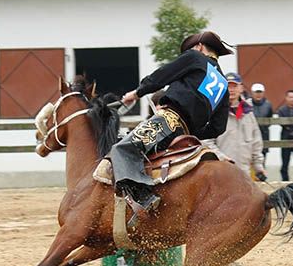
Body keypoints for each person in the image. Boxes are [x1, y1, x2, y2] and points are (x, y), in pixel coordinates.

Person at [110, 30, 232, 228]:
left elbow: (161, 76)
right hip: (184, 134)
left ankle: (144, 198)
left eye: (191, 49)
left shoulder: (195, 58)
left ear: (199, 47)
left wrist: (137, 93)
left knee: (122, 150)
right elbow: (218, 127)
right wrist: (191, 131)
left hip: (167, 120)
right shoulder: (224, 85)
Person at [205, 73, 266, 182]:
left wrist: (258, 167)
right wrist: (221, 158)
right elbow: (207, 141)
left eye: (235, 86)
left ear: (241, 88)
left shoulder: (248, 113)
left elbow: (256, 142)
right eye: (228, 86)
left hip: (244, 172)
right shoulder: (215, 112)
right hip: (222, 172)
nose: (231, 90)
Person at [250, 83, 273, 166]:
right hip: (250, 136)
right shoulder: (247, 104)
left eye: (260, 92)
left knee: (262, 159)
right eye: (256, 92)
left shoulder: (268, 105)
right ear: (252, 93)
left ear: (263, 93)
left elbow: (270, 118)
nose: (258, 94)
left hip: (264, 135)